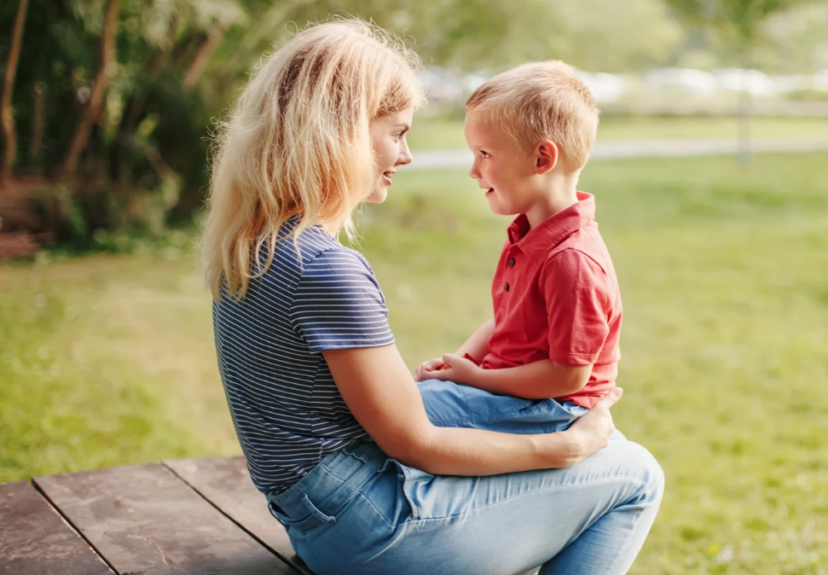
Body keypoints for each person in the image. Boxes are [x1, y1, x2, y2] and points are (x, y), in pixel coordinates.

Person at [200, 20, 663, 575]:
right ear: (340, 132)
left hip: (316, 521)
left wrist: (465, 376)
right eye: (397, 132)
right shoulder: (324, 268)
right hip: (373, 534)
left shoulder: (252, 246)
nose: (408, 155)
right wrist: (563, 451)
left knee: (449, 404)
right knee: (635, 473)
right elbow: (414, 442)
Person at [414, 62, 623, 438]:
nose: (473, 171)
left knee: (401, 413)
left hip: (554, 408)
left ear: (542, 159)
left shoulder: (571, 260)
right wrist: (460, 362)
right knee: (404, 402)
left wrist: (478, 379)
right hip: (513, 391)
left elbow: (569, 375)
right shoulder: (532, 235)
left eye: (485, 154)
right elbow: (507, 321)